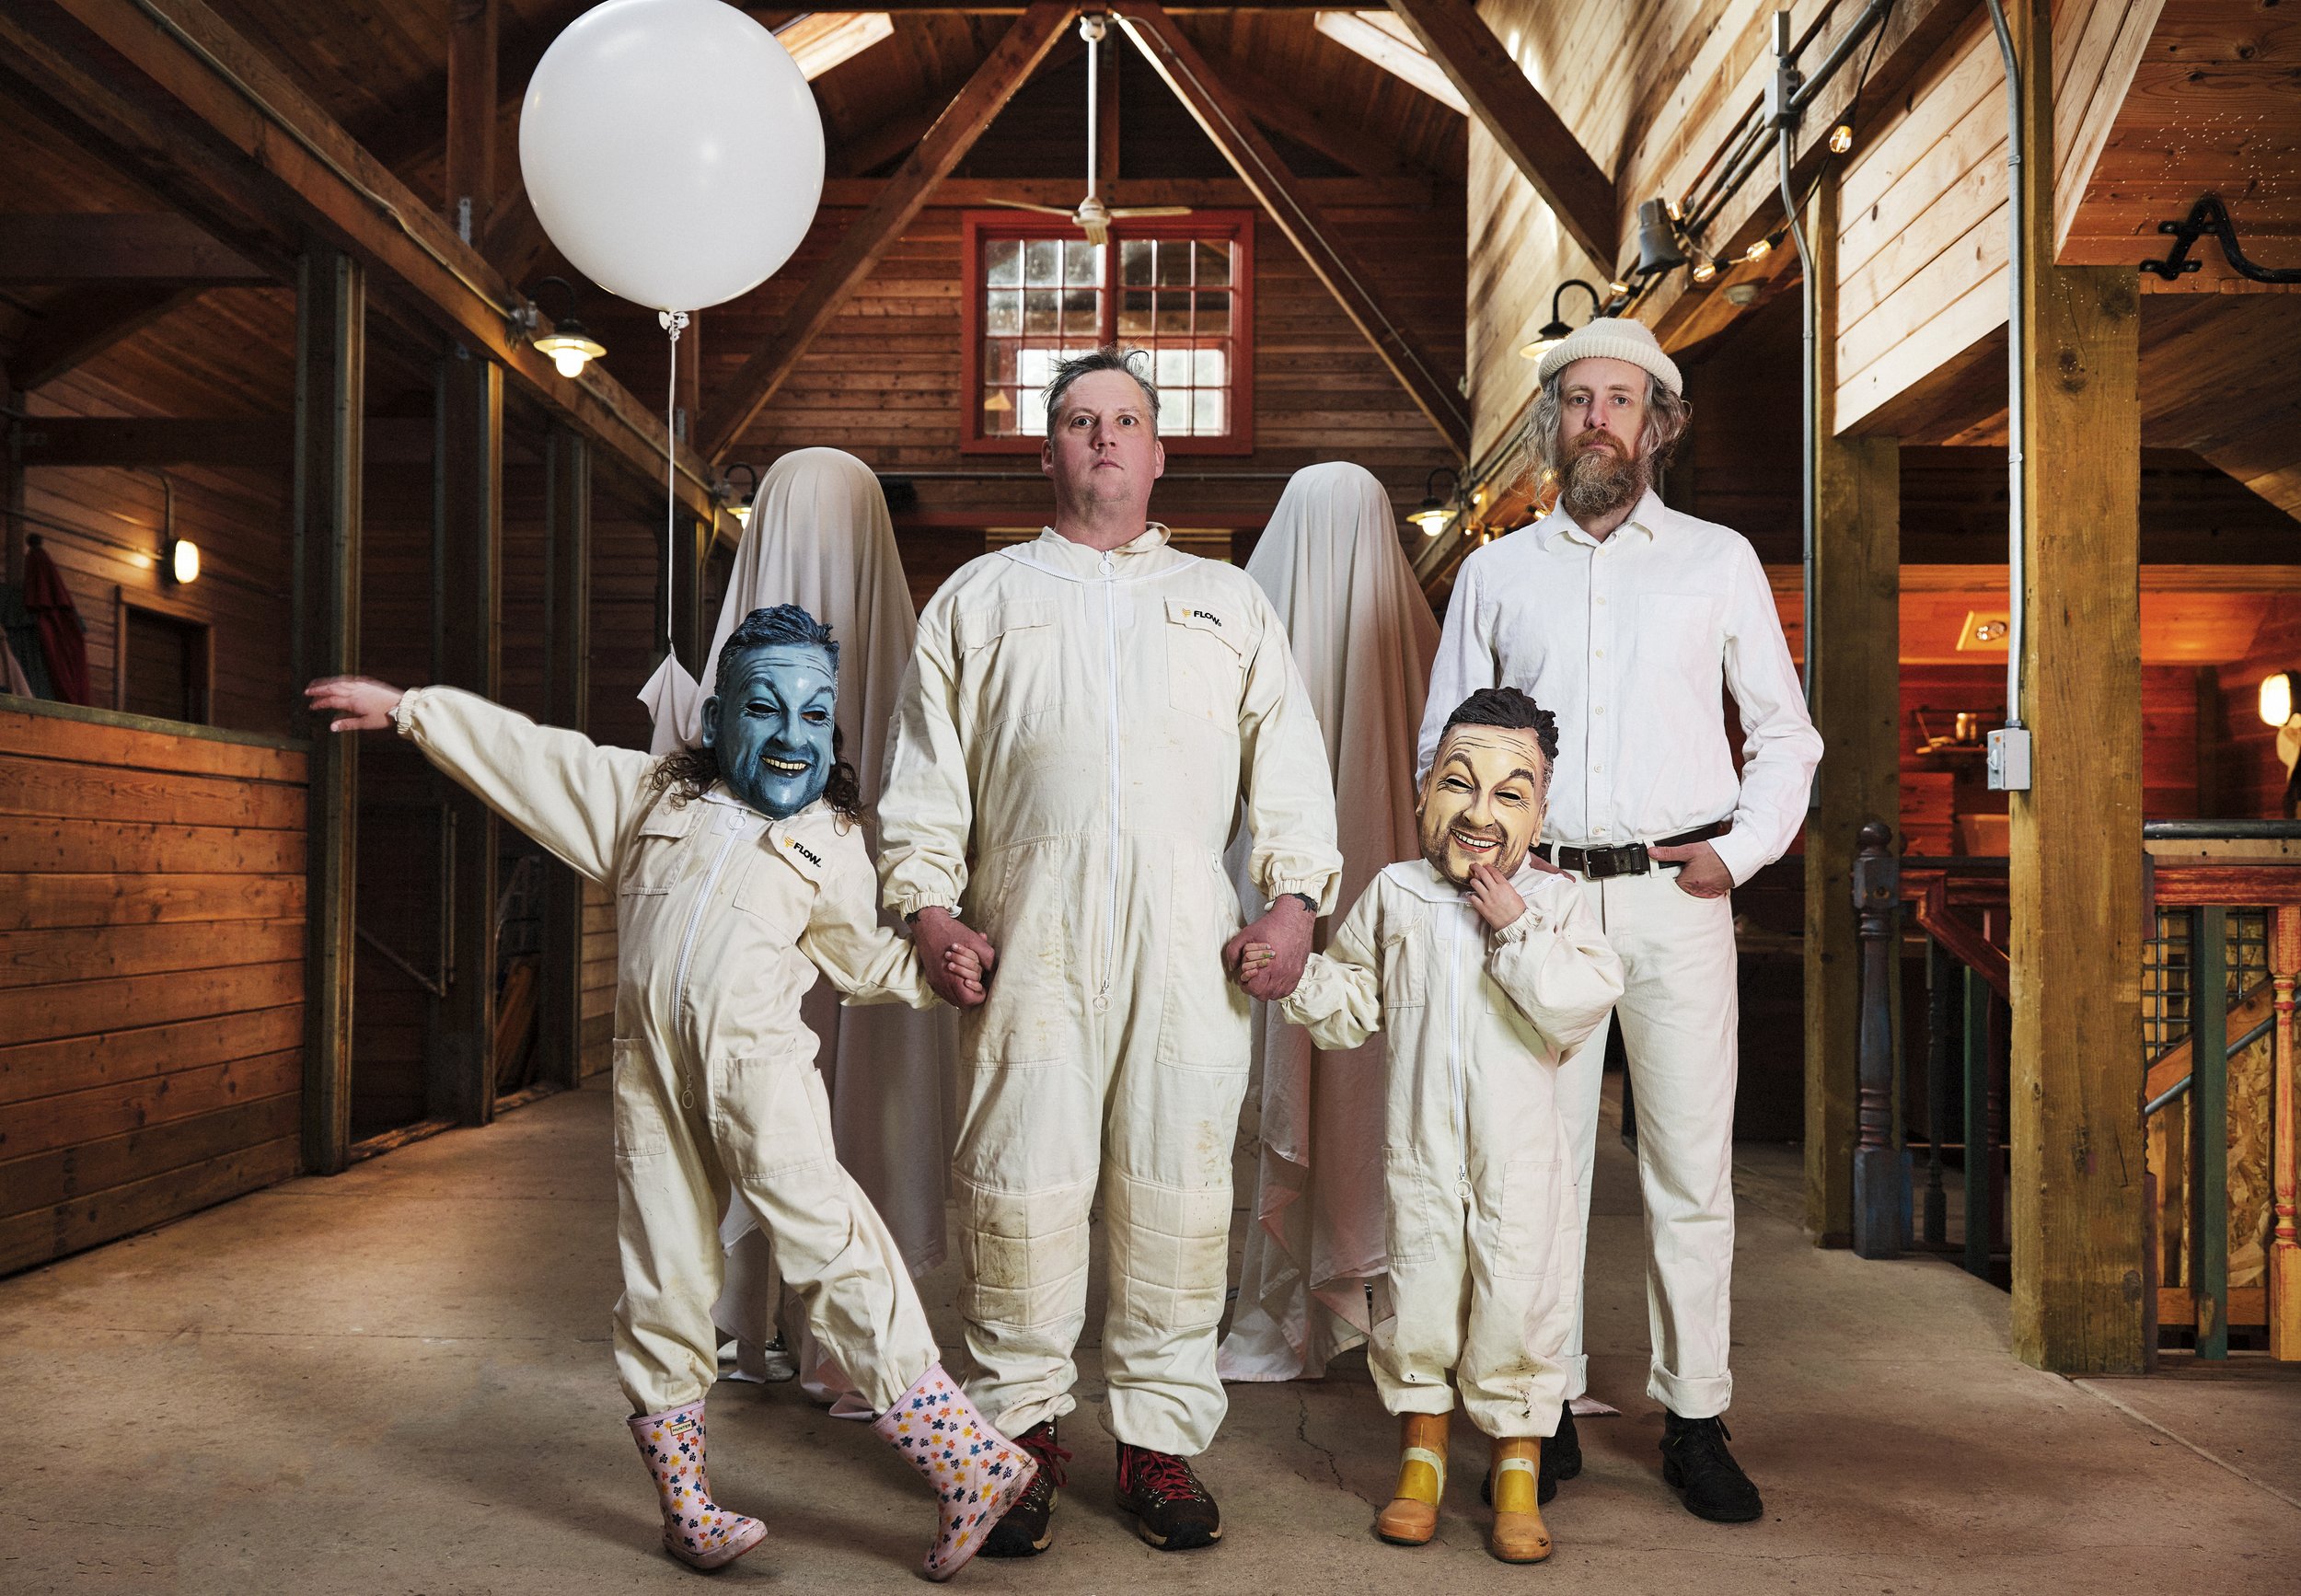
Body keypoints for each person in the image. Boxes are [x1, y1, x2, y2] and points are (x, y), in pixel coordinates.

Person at [304, 605, 1035, 1581]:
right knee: (661, 1276)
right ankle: (687, 1509)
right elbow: (535, 761)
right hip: (650, 1079)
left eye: (816, 715)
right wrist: (413, 713)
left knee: (834, 1252)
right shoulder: (651, 797)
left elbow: (862, 959)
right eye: (765, 707)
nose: (792, 735)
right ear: (718, 715)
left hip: (760, 1081)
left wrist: (939, 971)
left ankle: (969, 1464)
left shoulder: (829, 840)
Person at [878, 347, 1343, 1554]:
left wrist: (1293, 903)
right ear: (1048, 451)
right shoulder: (979, 598)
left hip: (1188, 943)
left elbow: (1290, 768)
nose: (1103, 438)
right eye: (1080, 421)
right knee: (1017, 1183)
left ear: (1158, 450)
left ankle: (1157, 1441)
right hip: (1025, 935)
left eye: (1124, 420)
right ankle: (1016, 1438)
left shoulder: (1226, 602)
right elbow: (924, 779)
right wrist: (929, 909)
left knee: (1177, 1184)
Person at [1420, 318, 1821, 1524]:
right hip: (1535, 901)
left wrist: (1738, 853)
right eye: (1578, 400)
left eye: (1621, 400)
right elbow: (1446, 747)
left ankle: (1696, 1417)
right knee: (1534, 1167)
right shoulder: (1496, 575)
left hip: (1673, 898)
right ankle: (1537, 1407)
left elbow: (1786, 734)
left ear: (1659, 425)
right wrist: (1483, 878)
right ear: (1553, 423)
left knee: (1690, 1166)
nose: (1598, 418)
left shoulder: (1716, 561)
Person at [1243, 687, 1621, 1563]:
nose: (1480, 814)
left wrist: (1516, 929)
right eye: (1458, 783)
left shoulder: (1557, 903)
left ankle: (1517, 1474)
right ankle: (1421, 1464)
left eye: (1510, 793)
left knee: (1517, 1299)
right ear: (1422, 793)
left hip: (1519, 1161)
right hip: (1419, 1152)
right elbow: (1352, 1003)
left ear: (1540, 812)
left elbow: (1576, 1005)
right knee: (1419, 1297)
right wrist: (1294, 976)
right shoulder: (1397, 895)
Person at [643, 447, 954, 1400]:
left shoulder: (740, 675)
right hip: (856, 914)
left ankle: (745, 1328)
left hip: (757, 935)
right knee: (848, 1108)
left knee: (739, 1095)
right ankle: (853, 1357)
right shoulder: (905, 667)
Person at [1217, 461, 1440, 1386]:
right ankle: (1381, 1300)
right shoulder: (1418, 640)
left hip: (1265, 896)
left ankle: (1272, 1304)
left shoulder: (1242, 620)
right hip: (1388, 908)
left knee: (1276, 1081)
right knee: (1374, 1090)